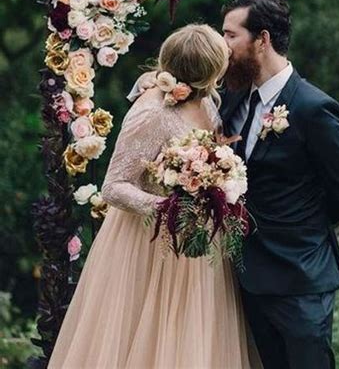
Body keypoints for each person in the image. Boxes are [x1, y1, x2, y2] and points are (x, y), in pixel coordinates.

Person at [134, 0, 339, 369]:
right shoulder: (233, 97)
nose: (221, 46)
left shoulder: (313, 108)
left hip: (300, 278)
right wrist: (152, 81)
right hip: (244, 277)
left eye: (230, 35)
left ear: (262, 40)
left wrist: (298, 227)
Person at [48, 24, 258, 369]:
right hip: (149, 244)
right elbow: (114, 185)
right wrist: (168, 206)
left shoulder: (205, 101)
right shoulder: (152, 112)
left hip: (197, 246)